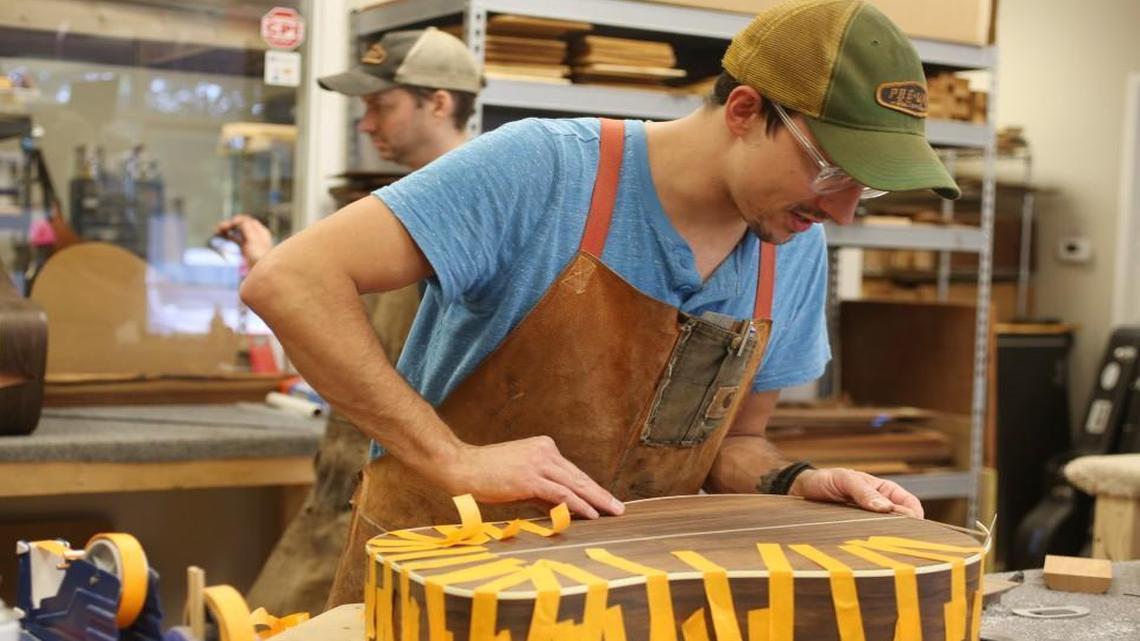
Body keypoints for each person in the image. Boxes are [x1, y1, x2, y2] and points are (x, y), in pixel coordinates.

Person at [241, 0, 962, 608]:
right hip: (439, 588)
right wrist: (452, 457)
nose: (841, 211)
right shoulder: (544, 169)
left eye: (864, 188)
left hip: (626, 601)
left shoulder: (792, 245)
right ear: (745, 109)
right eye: (833, 169)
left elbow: (734, 447)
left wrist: (796, 482)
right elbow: (291, 281)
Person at [220, 26, 482, 616]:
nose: (366, 125)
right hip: (345, 481)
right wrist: (276, 267)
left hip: (420, 506)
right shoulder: (399, 206)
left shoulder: (483, 213)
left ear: (439, 103)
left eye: (380, 105)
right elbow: (363, 330)